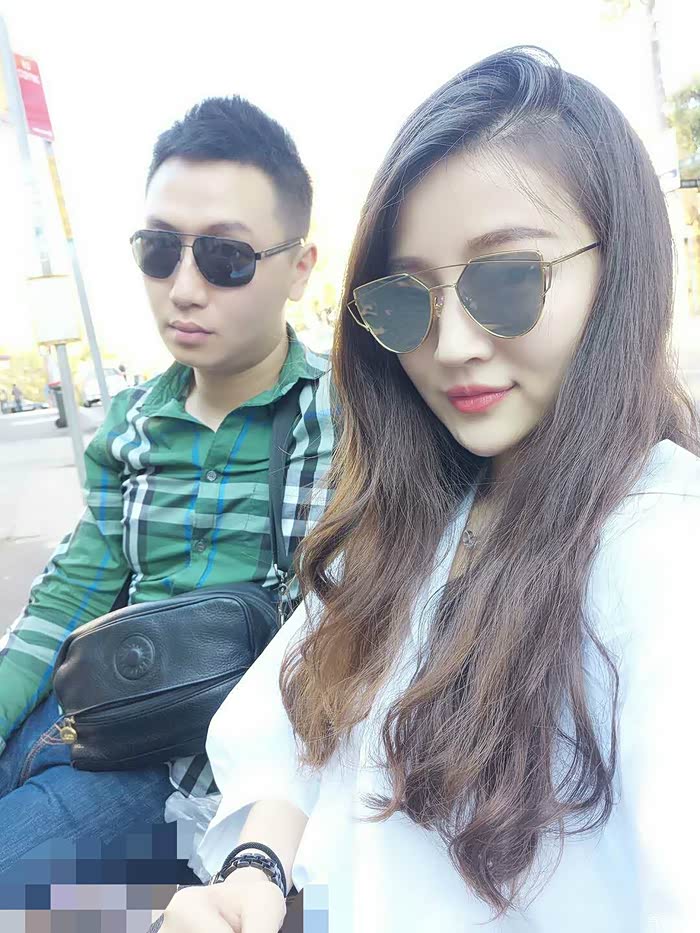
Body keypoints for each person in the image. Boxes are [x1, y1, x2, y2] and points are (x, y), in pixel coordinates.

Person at [157, 47, 700, 933]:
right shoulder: (423, 514)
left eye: (508, 279)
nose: (449, 347)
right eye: (406, 301)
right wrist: (254, 872)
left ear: (622, 270)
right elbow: (295, 727)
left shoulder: (668, 553)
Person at [0, 96, 334, 875]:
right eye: (159, 250)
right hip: (92, 709)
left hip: (193, 773)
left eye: (225, 257)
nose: (183, 287)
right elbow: (67, 597)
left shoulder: (344, 418)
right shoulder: (131, 422)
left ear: (299, 269)